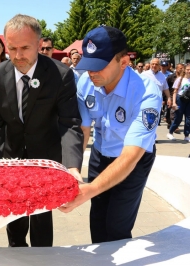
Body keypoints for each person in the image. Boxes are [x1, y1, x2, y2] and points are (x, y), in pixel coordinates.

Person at [0, 14, 83, 247]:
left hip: (45, 162)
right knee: (15, 220)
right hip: (11, 161)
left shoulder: (60, 75)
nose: (18, 56)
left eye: (25, 48)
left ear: (40, 45)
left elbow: (69, 122)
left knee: (41, 222)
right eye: (12, 48)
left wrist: (72, 167)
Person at [60, 26, 161, 244]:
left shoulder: (147, 92)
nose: (91, 73)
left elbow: (130, 156)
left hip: (134, 159)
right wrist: (74, 170)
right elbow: (84, 130)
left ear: (124, 62)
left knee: (116, 226)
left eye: (99, 66)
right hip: (100, 153)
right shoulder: (86, 82)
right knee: (97, 219)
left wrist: (89, 190)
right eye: (88, 66)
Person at [167, 64, 190, 142]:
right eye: (187, 69)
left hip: (189, 101)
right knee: (178, 118)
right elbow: (175, 92)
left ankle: (186, 135)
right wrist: (174, 103)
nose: (189, 71)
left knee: (188, 119)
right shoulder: (180, 79)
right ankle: (170, 132)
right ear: (184, 70)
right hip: (180, 99)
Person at [166, 63, 185, 129]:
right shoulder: (170, 77)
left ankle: (172, 124)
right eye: (180, 68)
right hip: (171, 96)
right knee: (172, 111)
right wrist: (166, 98)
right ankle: (173, 125)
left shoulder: (184, 77)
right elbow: (165, 88)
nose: (182, 69)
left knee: (176, 111)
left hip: (180, 97)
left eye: (183, 68)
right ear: (176, 69)